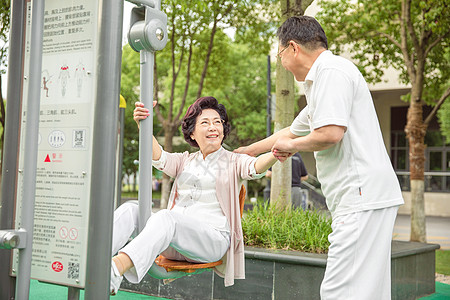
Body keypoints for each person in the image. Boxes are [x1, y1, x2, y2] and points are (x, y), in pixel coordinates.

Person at [235, 16, 404, 299]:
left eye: (279, 55)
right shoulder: (321, 80)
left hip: (361, 197)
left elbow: (330, 133)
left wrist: (293, 146)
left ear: (292, 48)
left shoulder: (331, 73)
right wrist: (249, 151)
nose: (282, 63)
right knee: (369, 290)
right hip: (365, 197)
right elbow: (291, 129)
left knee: (338, 290)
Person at [110, 96, 277, 295]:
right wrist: (142, 124)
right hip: (175, 241)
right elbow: (158, 157)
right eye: (205, 123)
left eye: (218, 122)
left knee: (166, 217)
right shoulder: (184, 161)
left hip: (211, 241)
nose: (213, 127)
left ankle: (115, 268)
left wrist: (275, 154)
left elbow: (254, 167)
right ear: (192, 133)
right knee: (132, 209)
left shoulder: (233, 161)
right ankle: (92, 260)